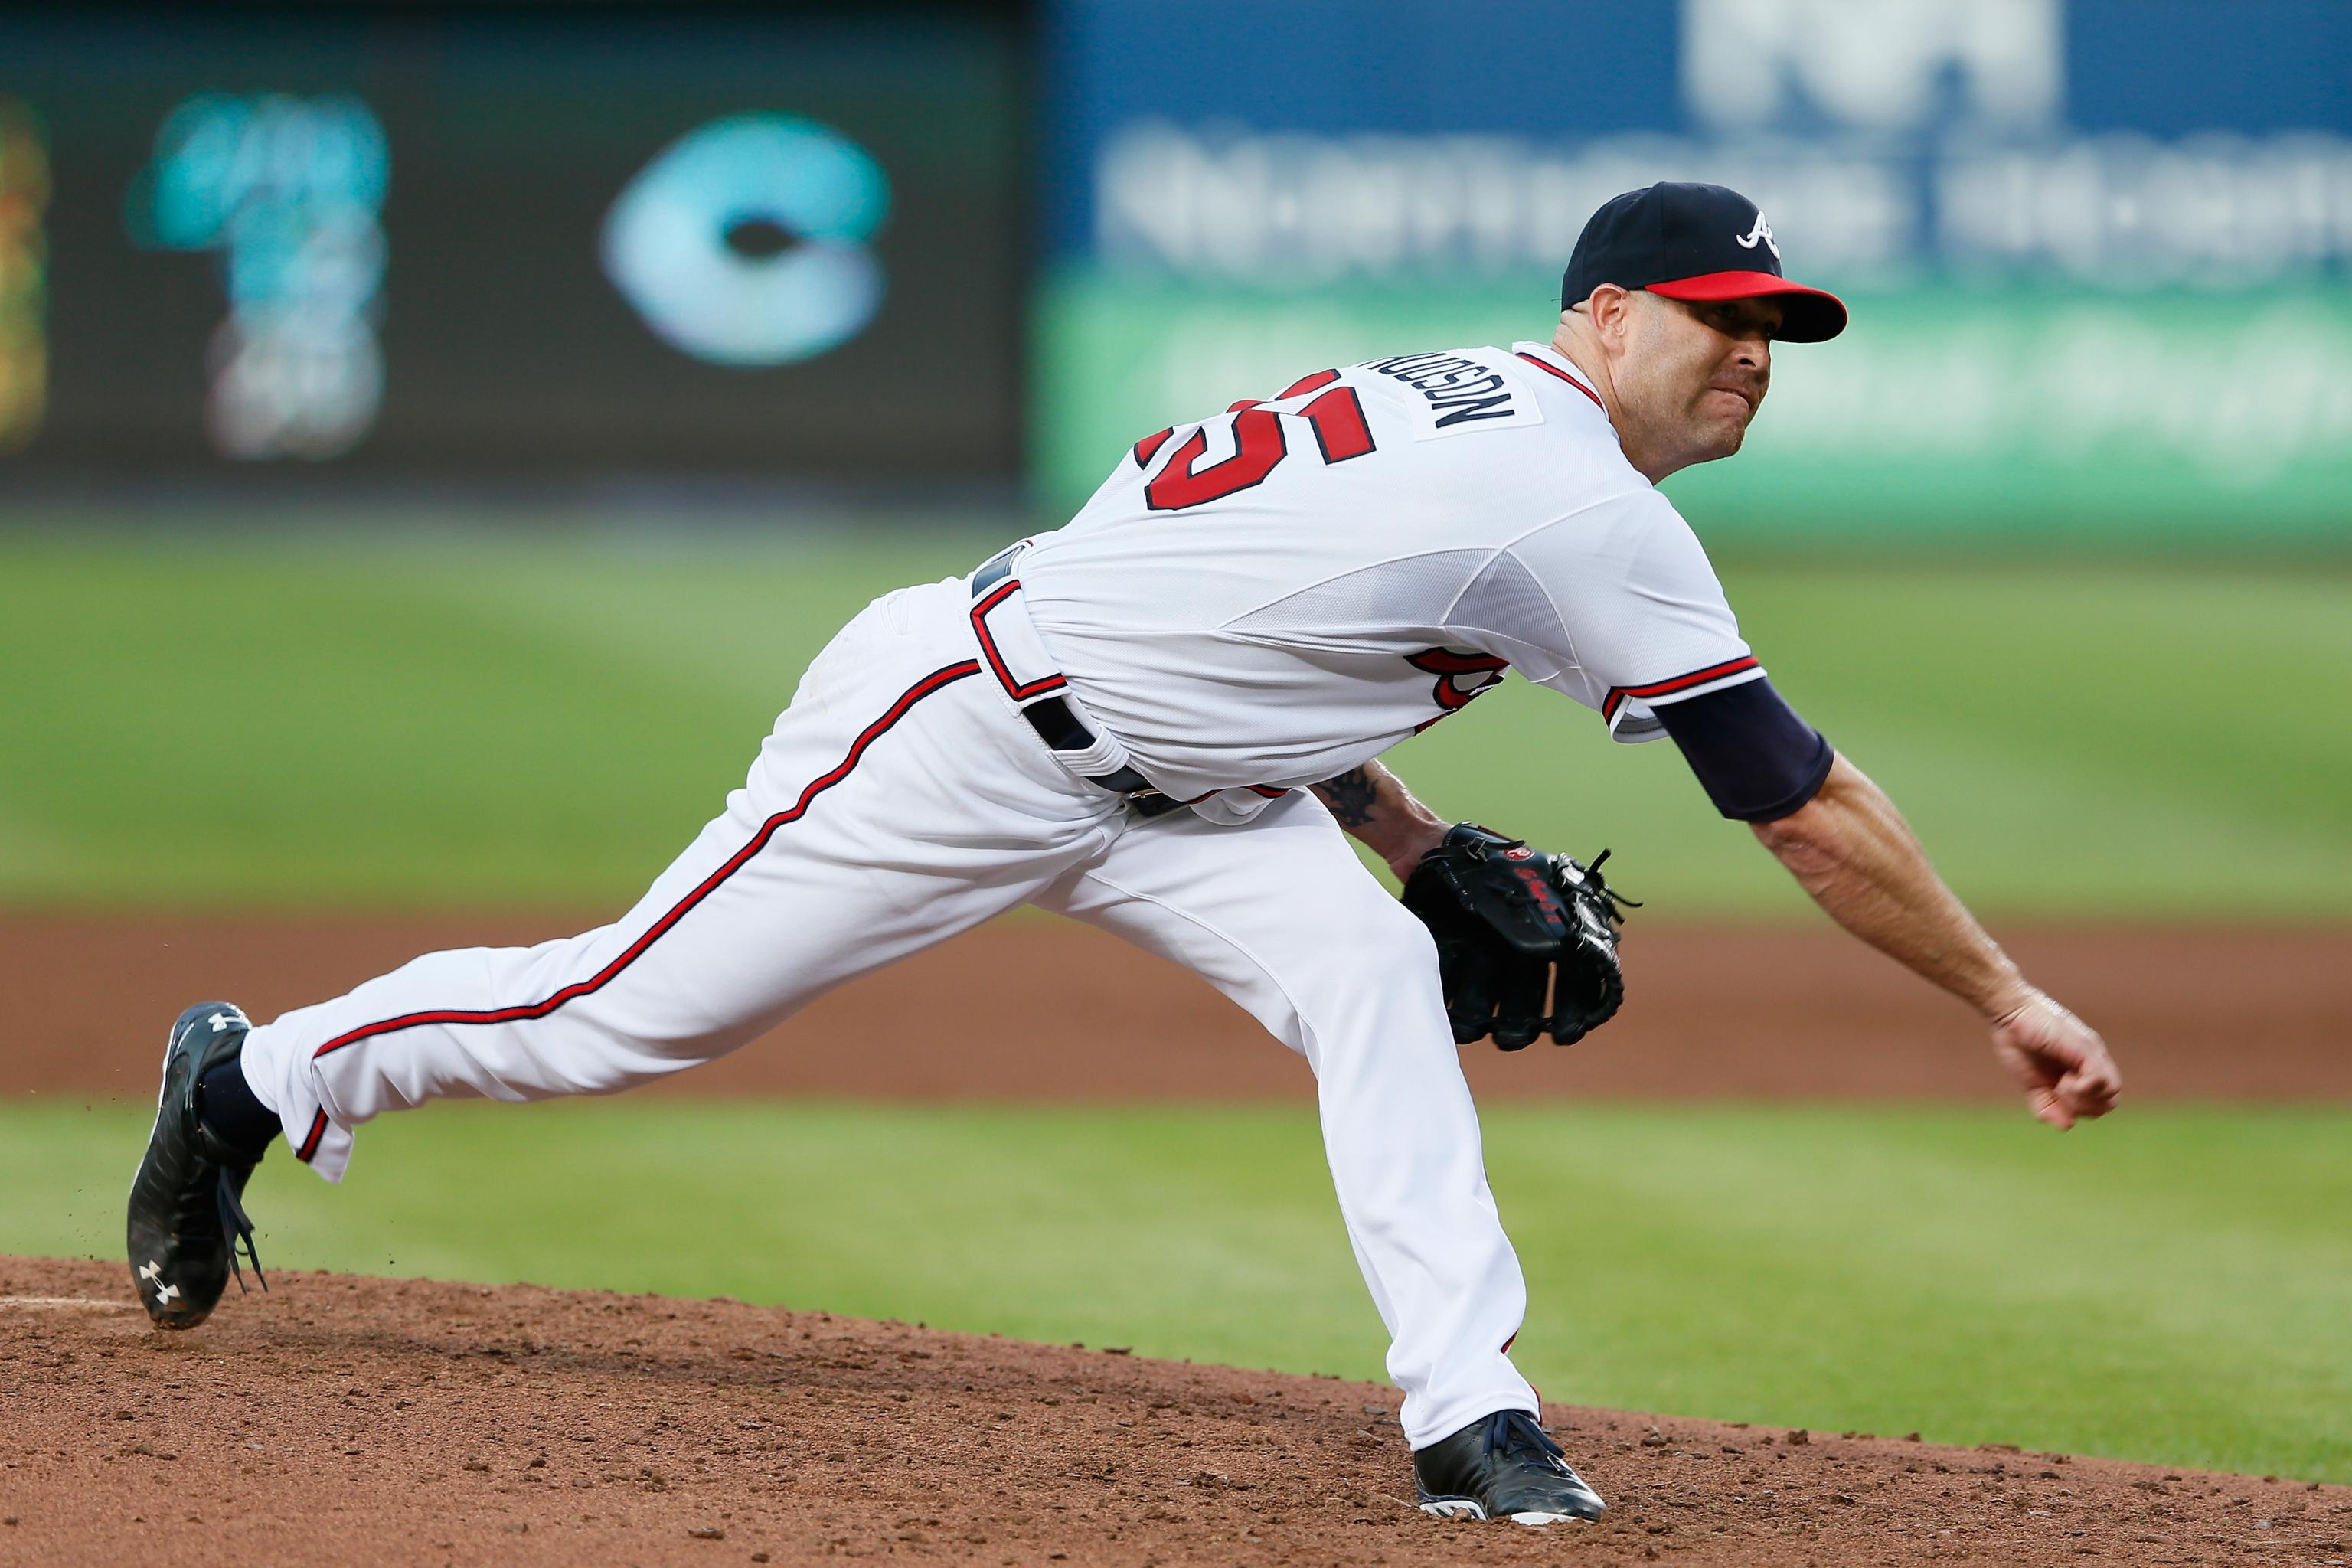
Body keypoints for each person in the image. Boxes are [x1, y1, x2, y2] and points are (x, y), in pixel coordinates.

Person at [129, 182, 2122, 1527]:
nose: (1753, 354)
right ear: (1601, 318)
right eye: (1718, 319)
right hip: (969, 729)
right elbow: (1797, 801)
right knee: (621, 1018)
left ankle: (1470, 1414)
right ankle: (258, 1073)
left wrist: (1405, 835)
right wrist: (2011, 993)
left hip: (1198, 780)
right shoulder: (1577, 501)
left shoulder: (1465, 405)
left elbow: (1257, 627)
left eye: (1777, 329)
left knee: (1370, 983)